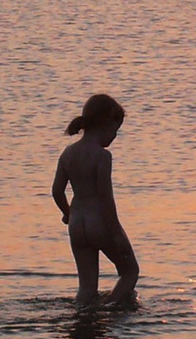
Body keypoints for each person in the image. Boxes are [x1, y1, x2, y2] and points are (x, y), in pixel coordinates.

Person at [53, 93, 140, 306]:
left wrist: (67, 212)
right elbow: (105, 199)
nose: (115, 137)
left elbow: (56, 191)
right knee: (130, 271)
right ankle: (111, 308)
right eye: (115, 130)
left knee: (86, 288)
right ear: (104, 124)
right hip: (99, 223)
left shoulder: (68, 153)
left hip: (77, 226)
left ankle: (83, 315)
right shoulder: (102, 156)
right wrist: (117, 233)